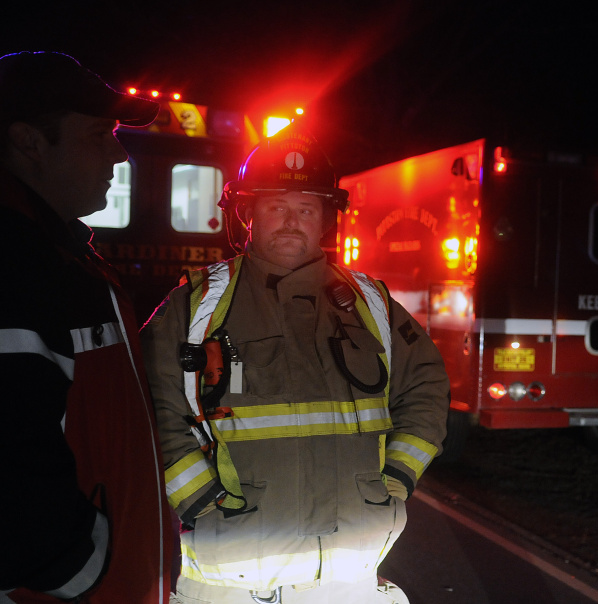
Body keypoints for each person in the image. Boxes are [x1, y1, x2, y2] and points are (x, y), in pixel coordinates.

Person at [140, 123, 450, 603]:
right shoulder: (194, 306)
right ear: (247, 215)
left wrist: (395, 479)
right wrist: (199, 500)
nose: (291, 221)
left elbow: (426, 385)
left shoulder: (370, 302)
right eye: (276, 207)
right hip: (228, 580)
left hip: (348, 576)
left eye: (305, 208)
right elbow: (151, 404)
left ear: (325, 218)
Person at [0, 52, 173, 602]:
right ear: (29, 142)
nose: (120, 155)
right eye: (101, 135)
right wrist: (83, 571)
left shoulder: (57, 256)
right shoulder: (18, 267)